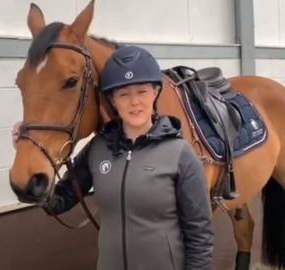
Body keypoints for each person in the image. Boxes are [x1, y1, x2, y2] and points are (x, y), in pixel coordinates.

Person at [12, 46, 213, 270]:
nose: (134, 102)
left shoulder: (180, 154)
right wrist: (30, 155)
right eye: (124, 94)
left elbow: (200, 234)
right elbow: (58, 202)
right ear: (113, 100)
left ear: (155, 93)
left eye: (142, 92)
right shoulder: (97, 150)